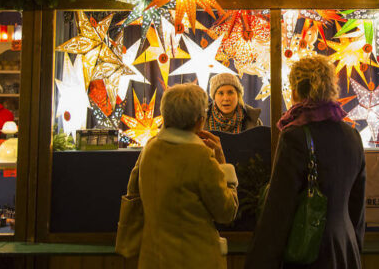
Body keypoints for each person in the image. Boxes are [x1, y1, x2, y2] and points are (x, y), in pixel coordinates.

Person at [244, 55, 366, 269]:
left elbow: (279, 209)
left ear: (296, 90)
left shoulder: (296, 136)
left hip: (309, 252)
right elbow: (357, 206)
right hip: (345, 250)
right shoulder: (352, 135)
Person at [125, 83, 238, 269]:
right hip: (195, 258)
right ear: (200, 121)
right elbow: (226, 211)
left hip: (153, 258)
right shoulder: (200, 157)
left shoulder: (150, 149)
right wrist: (223, 165)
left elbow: (133, 196)